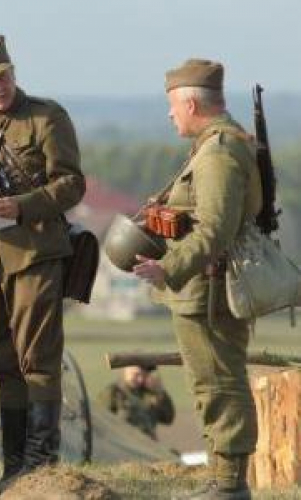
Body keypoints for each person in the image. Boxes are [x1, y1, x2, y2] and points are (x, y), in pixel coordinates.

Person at [0, 35, 85, 482]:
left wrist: (23, 204)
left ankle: (42, 468)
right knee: (0, 359)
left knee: (39, 359)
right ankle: (14, 468)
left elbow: (71, 184)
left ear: (13, 71)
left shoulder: (47, 117)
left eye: (2, 76)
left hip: (36, 253)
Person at [133, 59, 260, 500]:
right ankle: (219, 476)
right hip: (200, 286)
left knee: (220, 381)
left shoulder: (220, 151)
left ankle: (228, 484)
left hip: (208, 287)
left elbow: (216, 228)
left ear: (190, 102)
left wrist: (166, 268)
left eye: (173, 106)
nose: (170, 115)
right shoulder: (215, 144)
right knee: (207, 381)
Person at [98, 365, 175, 440]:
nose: (140, 379)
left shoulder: (150, 393)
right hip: (124, 444)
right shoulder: (113, 392)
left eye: (144, 376)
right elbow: (101, 422)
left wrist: (160, 392)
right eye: (136, 374)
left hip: (148, 446)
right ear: (126, 370)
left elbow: (168, 419)